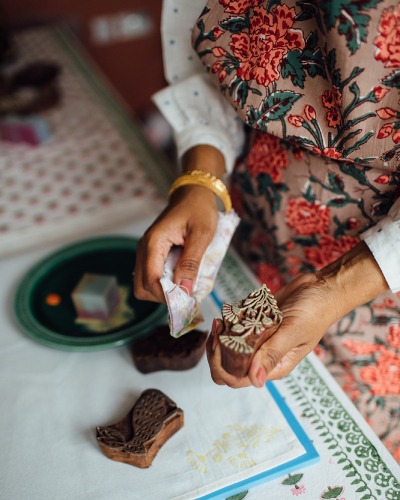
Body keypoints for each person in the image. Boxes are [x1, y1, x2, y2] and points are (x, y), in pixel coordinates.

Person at [134, 0, 400, 461]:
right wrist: (202, 180)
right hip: (253, 223)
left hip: (381, 291)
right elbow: (210, 60)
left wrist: (334, 287)